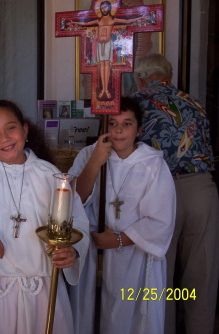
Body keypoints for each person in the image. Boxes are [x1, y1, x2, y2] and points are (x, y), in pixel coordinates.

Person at [0, 100, 90, 334]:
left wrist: (73, 250)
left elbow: (77, 221)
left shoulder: (49, 174)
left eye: (11, 128)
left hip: (46, 287)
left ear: (25, 130)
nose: (5, 138)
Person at [68, 96, 176, 334]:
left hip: (134, 257)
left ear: (139, 129)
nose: (118, 130)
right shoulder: (89, 154)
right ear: (103, 125)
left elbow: (160, 222)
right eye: (112, 123)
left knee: (128, 320)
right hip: (93, 254)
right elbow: (73, 202)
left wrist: (117, 240)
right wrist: (96, 161)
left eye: (127, 124)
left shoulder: (152, 164)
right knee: (90, 315)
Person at [131, 53, 219, 334]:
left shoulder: (137, 104)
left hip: (160, 192)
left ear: (140, 78)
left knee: (159, 274)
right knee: (201, 274)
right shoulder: (193, 102)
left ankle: (162, 328)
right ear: (168, 74)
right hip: (201, 188)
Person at [69, 1, 143, 99]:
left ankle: (107, 90)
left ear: (109, 8)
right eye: (102, 8)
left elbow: (127, 22)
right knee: (101, 67)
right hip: (100, 44)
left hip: (109, 44)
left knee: (108, 66)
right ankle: (104, 89)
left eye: (105, 7)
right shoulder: (99, 20)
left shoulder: (113, 19)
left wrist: (139, 18)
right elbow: (86, 23)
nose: (104, 9)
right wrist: (74, 22)